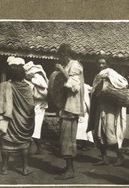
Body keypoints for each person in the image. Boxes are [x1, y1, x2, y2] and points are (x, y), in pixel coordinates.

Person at [0, 57, 35, 176]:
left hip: (9, 121)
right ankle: (25, 168)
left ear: (11, 76)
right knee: (24, 145)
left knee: (6, 144)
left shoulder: (5, 86)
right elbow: (31, 105)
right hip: (24, 121)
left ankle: (4, 168)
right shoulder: (28, 87)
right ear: (23, 76)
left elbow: (0, 103)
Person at [87, 58, 128, 166]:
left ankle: (120, 156)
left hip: (110, 108)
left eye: (103, 63)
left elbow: (123, 82)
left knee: (109, 132)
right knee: (98, 133)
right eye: (99, 63)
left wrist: (109, 79)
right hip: (100, 106)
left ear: (108, 64)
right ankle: (104, 158)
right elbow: (95, 91)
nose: (101, 65)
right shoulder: (98, 75)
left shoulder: (111, 72)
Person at [53, 43, 85, 180]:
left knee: (67, 138)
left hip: (71, 108)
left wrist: (61, 70)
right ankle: (68, 167)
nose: (60, 60)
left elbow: (74, 86)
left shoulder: (74, 65)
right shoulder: (70, 65)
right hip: (67, 107)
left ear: (64, 55)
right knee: (67, 138)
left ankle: (70, 170)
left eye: (60, 57)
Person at [23, 61, 48, 154]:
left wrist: (31, 80)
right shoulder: (30, 76)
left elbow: (44, 85)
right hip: (35, 103)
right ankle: (32, 149)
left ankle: (38, 148)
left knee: (36, 127)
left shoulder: (37, 75)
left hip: (40, 104)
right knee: (31, 126)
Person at [76, 83, 94, 150]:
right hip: (79, 108)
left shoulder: (84, 86)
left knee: (83, 127)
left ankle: (84, 143)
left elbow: (91, 89)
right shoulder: (83, 86)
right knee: (82, 127)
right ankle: (83, 143)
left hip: (81, 108)